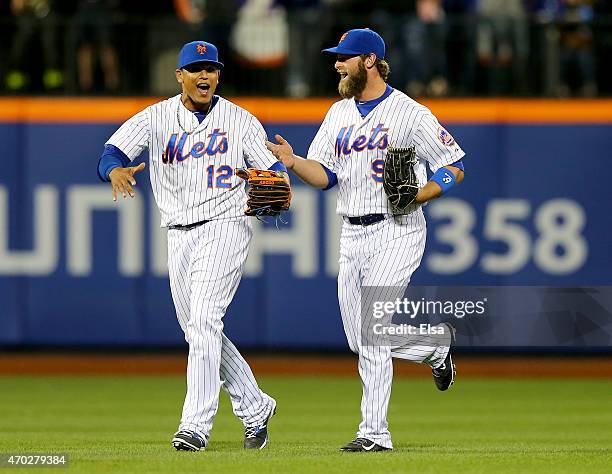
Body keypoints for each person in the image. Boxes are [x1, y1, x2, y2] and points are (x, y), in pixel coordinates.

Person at [266, 28, 465, 452]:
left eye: (345, 57)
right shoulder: (338, 113)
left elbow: (453, 166)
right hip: (351, 232)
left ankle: (374, 434)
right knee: (359, 339)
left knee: (373, 334)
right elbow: (325, 176)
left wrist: (421, 193)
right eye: (336, 57)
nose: (337, 63)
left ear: (370, 61)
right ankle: (433, 345)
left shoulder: (410, 113)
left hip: (398, 229)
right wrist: (294, 162)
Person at [96, 40, 286, 451]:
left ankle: (195, 426)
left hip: (227, 225)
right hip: (178, 234)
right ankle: (255, 406)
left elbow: (273, 173)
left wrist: (274, 181)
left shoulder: (240, 120)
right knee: (199, 329)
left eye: (211, 69)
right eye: (196, 69)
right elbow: (110, 152)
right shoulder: (156, 117)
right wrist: (114, 171)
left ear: (218, 75)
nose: (205, 76)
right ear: (179, 75)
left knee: (202, 321)